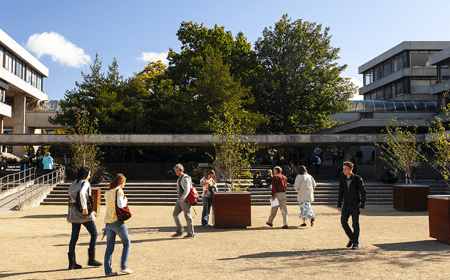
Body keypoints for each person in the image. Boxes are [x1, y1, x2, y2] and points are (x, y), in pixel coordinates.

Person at [67, 167, 102, 270]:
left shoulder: (73, 183)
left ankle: (72, 263)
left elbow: (70, 195)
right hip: (83, 211)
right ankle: (91, 259)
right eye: (89, 174)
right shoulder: (85, 183)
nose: (90, 176)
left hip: (73, 210)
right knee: (94, 234)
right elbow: (82, 193)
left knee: (74, 237)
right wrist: (85, 207)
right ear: (86, 174)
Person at [104, 173, 133, 276]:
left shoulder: (107, 192)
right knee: (126, 243)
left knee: (109, 247)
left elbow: (107, 207)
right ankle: (124, 266)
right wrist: (126, 200)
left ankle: (108, 271)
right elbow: (121, 205)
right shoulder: (119, 191)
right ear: (121, 182)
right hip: (117, 221)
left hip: (108, 222)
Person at [337, 161, 366, 250]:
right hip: (346, 204)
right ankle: (352, 238)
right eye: (343, 169)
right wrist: (339, 204)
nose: (344, 171)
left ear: (351, 169)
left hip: (355, 205)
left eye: (346, 169)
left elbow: (363, 192)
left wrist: (362, 205)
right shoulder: (342, 179)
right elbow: (340, 192)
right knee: (343, 221)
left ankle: (355, 243)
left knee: (355, 224)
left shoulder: (357, 179)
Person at [172, 163, 195, 238]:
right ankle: (180, 231)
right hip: (180, 199)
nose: (176, 172)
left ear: (181, 170)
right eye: (175, 170)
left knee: (187, 216)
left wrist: (182, 198)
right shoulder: (180, 178)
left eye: (177, 170)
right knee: (175, 214)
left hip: (184, 200)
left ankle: (191, 233)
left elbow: (187, 189)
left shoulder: (185, 178)